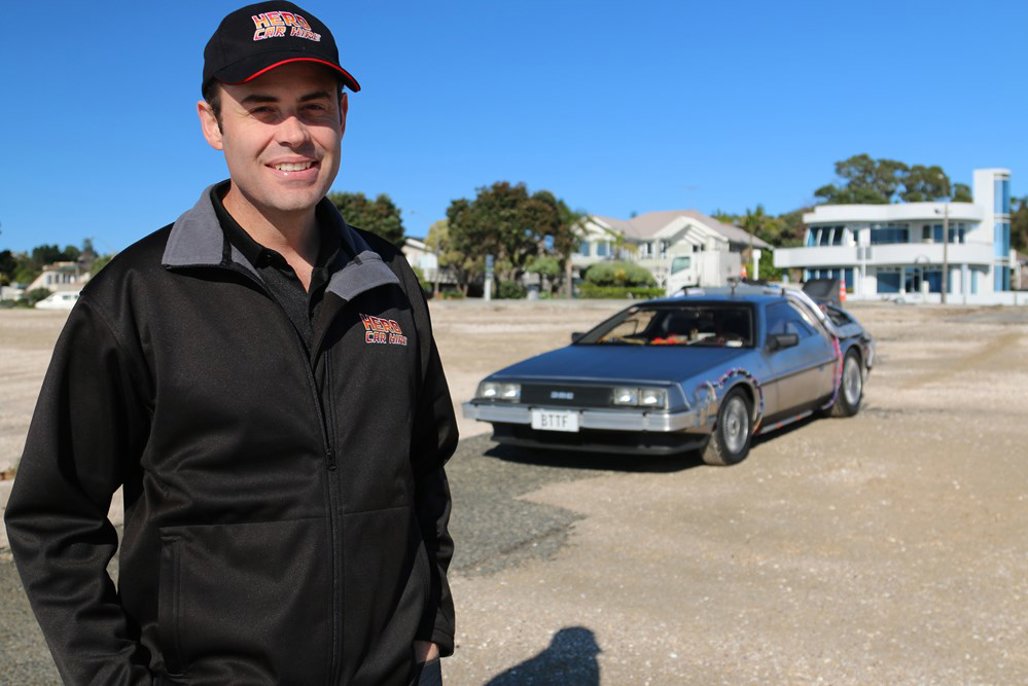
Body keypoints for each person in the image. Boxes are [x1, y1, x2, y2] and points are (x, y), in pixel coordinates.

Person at [4, 3, 458, 684]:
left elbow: (425, 466)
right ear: (213, 123)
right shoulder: (136, 295)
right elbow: (54, 517)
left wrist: (429, 627)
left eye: (314, 106)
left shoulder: (386, 278)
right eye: (262, 108)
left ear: (342, 115)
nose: (294, 134)